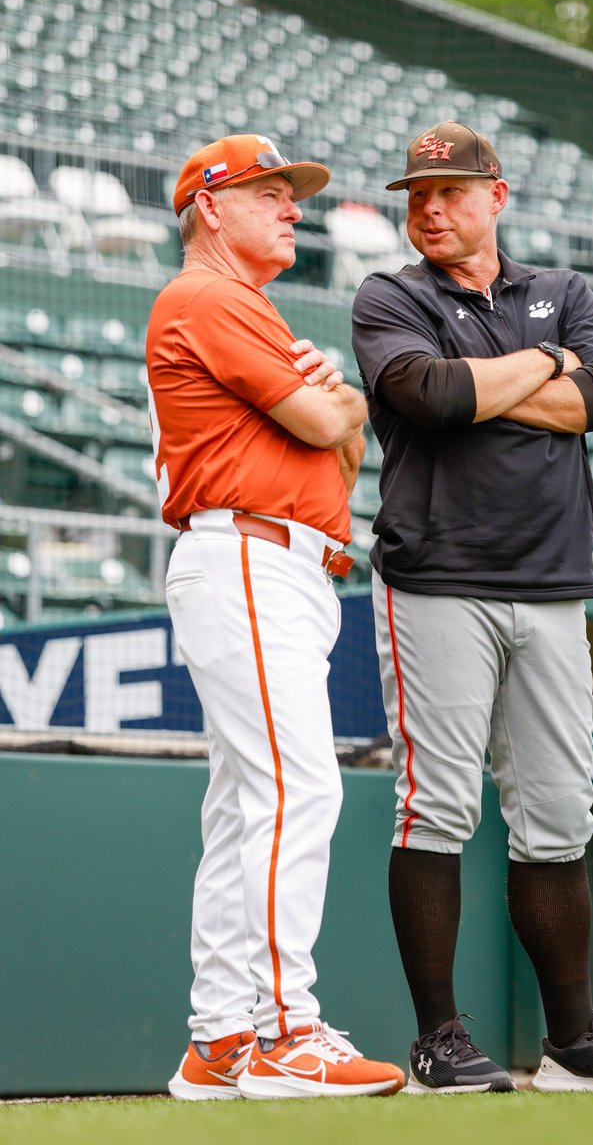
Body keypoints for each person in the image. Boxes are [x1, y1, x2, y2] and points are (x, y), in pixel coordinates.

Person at [351, 122, 593, 1094]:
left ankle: (571, 1042)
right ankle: (438, 1042)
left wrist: (494, 384)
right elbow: (428, 396)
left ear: (495, 195)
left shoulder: (563, 291)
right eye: (417, 194)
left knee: (556, 812)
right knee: (438, 808)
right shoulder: (389, 294)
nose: (430, 207)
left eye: (450, 191)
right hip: (436, 578)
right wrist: (545, 366)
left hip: (550, 584)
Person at [146, 133, 404, 1101]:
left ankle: (218, 1038)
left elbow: (345, 448)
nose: (290, 206)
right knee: (300, 791)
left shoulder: (244, 306)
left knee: (243, 808)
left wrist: (334, 410)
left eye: (290, 194)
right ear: (210, 207)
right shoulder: (205, 296)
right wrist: (331, 405)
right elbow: (321, 423)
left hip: (282, 560)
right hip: (245, 552)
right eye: (267, 193)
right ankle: (284, 1029)